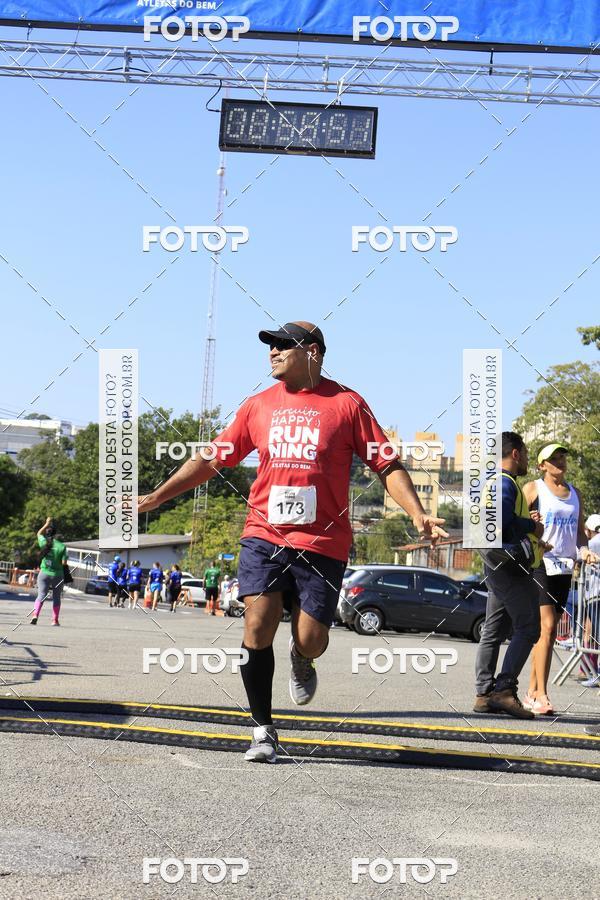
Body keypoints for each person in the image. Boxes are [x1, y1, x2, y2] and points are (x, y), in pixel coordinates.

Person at [139, 320, 446, 763]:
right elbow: (212, 459)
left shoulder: (347, 404)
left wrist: (417, 512)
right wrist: (157, 496)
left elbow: (386, 464)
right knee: (256, 625)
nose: (273, 352)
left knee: (310, 637)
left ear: (314, 352)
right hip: (264, 534)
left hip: (323, 542)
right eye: (271, 346)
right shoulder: (257, 406)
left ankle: (303, 657)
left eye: (284, 345)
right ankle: (262, 728)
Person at [474, 432, 546, 719]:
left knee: (493, 630)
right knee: (529, 627)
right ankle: (503, 690)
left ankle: (483, 694)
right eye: (526, 452)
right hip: (508, 565)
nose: (527, 458)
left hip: (493, 561)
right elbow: (501, 521)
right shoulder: (504, 482)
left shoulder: (490, 482)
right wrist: (532, 526)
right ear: (515, 453)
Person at [522, 444, 599, 714]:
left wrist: (585, 549)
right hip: (540, 563)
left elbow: (579, 532)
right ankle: (542, 694)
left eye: (562, 457)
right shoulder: (533, 489)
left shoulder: (575, 494)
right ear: (542, 465)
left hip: (565, 567)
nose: (560, 462)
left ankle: (531, 692)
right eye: (553, 459)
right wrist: (529, 523)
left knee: (550, 632)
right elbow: (512, 519)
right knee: (547, 626)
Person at [31, 517, 67, 626]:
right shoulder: (62, 546)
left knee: (41, 595)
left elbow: (38, 533)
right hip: (58, 575)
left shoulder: (44, 542)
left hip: (44, 573)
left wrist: (46, 523)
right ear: (56, 534)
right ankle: (54, 620)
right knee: (56, 597)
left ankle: (35, 615)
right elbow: (64, 562)